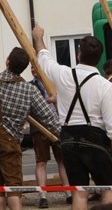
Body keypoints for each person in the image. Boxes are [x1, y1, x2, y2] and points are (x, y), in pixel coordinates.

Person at [33, 25, 112, 209]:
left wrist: (38, 36)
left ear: (79, 54)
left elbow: (43, 57)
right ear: (99, 57)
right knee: (109, 189)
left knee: (79, 191)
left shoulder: (63, 74)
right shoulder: (106, 87)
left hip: (68, 139)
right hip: (94, 139)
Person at [0, 47, 60, 210]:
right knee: (13, 183)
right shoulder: (29, 90)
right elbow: (49, 118)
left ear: (7, 62)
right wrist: (63, 134)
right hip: (10, 140)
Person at [29, 66, 71, 208]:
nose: (34, 71)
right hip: (39, 128)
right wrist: (46, 101)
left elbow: (66, 102)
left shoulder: (54, 84)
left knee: (62, 160)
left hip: (58, 126)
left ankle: (68, 192)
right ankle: (43, 196)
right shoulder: (30, 86)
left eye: (36, 68)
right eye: (32, 68)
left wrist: (56, 100)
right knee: (41, 161)